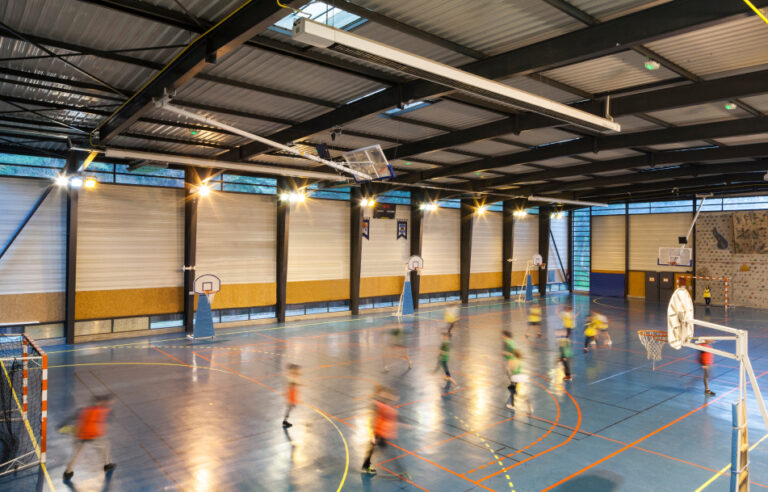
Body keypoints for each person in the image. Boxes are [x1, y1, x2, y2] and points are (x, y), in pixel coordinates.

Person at [63, 395, 116, 481]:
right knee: (104, 446)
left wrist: (64, 424)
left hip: (83, 435)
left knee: (78, 455)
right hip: (91, 435)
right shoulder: (102, 410)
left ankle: (68, 472)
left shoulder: (85, 410)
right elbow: (107, 417)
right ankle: (107, 465)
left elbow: (73, 417)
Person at [362, 389, 399, 475]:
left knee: (376, 449)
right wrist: (372, 435)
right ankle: (366, 466)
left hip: (381, 433)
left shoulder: (385, 407)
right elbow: (373, 421)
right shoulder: (380, 407)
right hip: (378, 433)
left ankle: (366, 465)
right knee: (384, 450)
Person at [283, 364, 300, 428]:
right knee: (289, 408)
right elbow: (292, 384)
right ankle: (285, 421)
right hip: (291, 394)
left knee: (289, 408)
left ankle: (285, 421)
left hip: (292, 394)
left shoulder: (290, 376)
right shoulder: (289, 376)